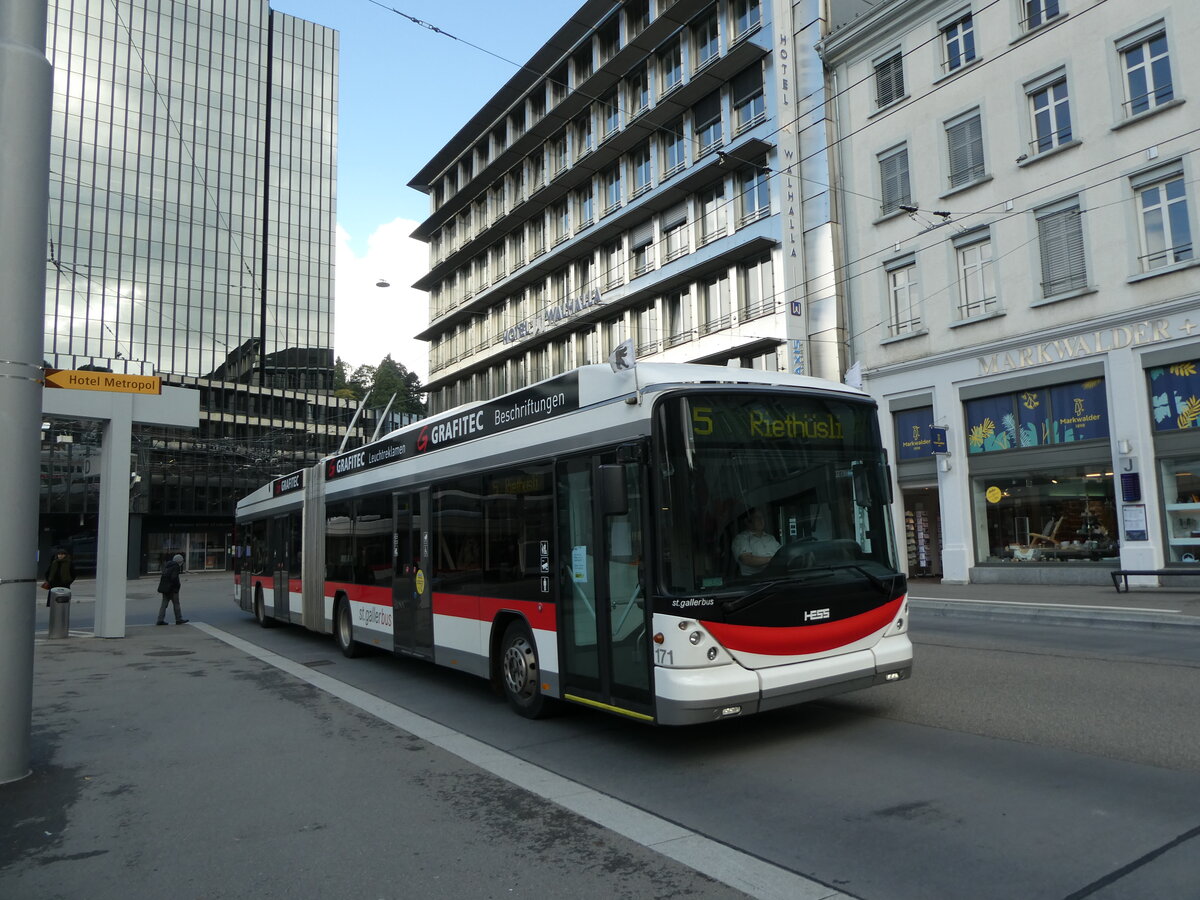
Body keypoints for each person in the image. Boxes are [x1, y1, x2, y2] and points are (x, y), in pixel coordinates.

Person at [732, 508, 781, 576]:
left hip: (775, 578)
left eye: (762, 517)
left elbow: (781, 554)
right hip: (754, 581)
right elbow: (747, 559)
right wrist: (772, 559)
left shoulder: (770, 538)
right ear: (747, 521)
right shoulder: (741, 538)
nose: (761, 520)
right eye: (757, 517)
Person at [156, 554, 189, 625]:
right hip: (172, 589)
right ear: (179, 561)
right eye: (182, 561)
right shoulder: (176, 567)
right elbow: (174, 578)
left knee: (164, 604)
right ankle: (178, 619)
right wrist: (177, 586)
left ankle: (160, 619)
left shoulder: (167, 566)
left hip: (164, 588)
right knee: (176, 604)